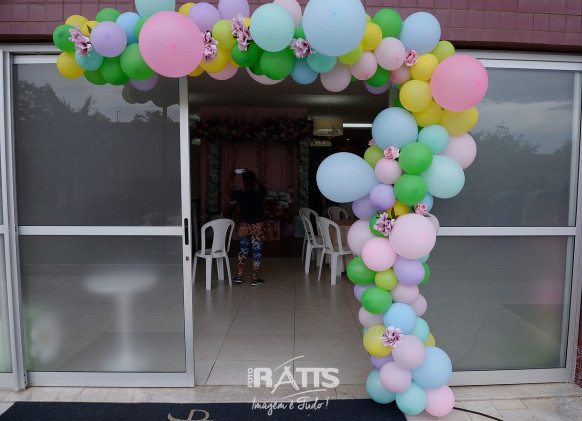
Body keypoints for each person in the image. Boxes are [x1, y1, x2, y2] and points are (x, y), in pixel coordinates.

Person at [229, 170, 266, 286]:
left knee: (243, 251)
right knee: (256, 252)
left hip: (244, 225)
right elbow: (263, 186)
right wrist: (254, 177)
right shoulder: (260, 193)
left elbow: (229, 191)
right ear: (254, 181)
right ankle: (255, 278)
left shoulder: (239, 194)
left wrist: (231, 177)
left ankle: (239, 276)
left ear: (243, 182)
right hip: (257, 226)